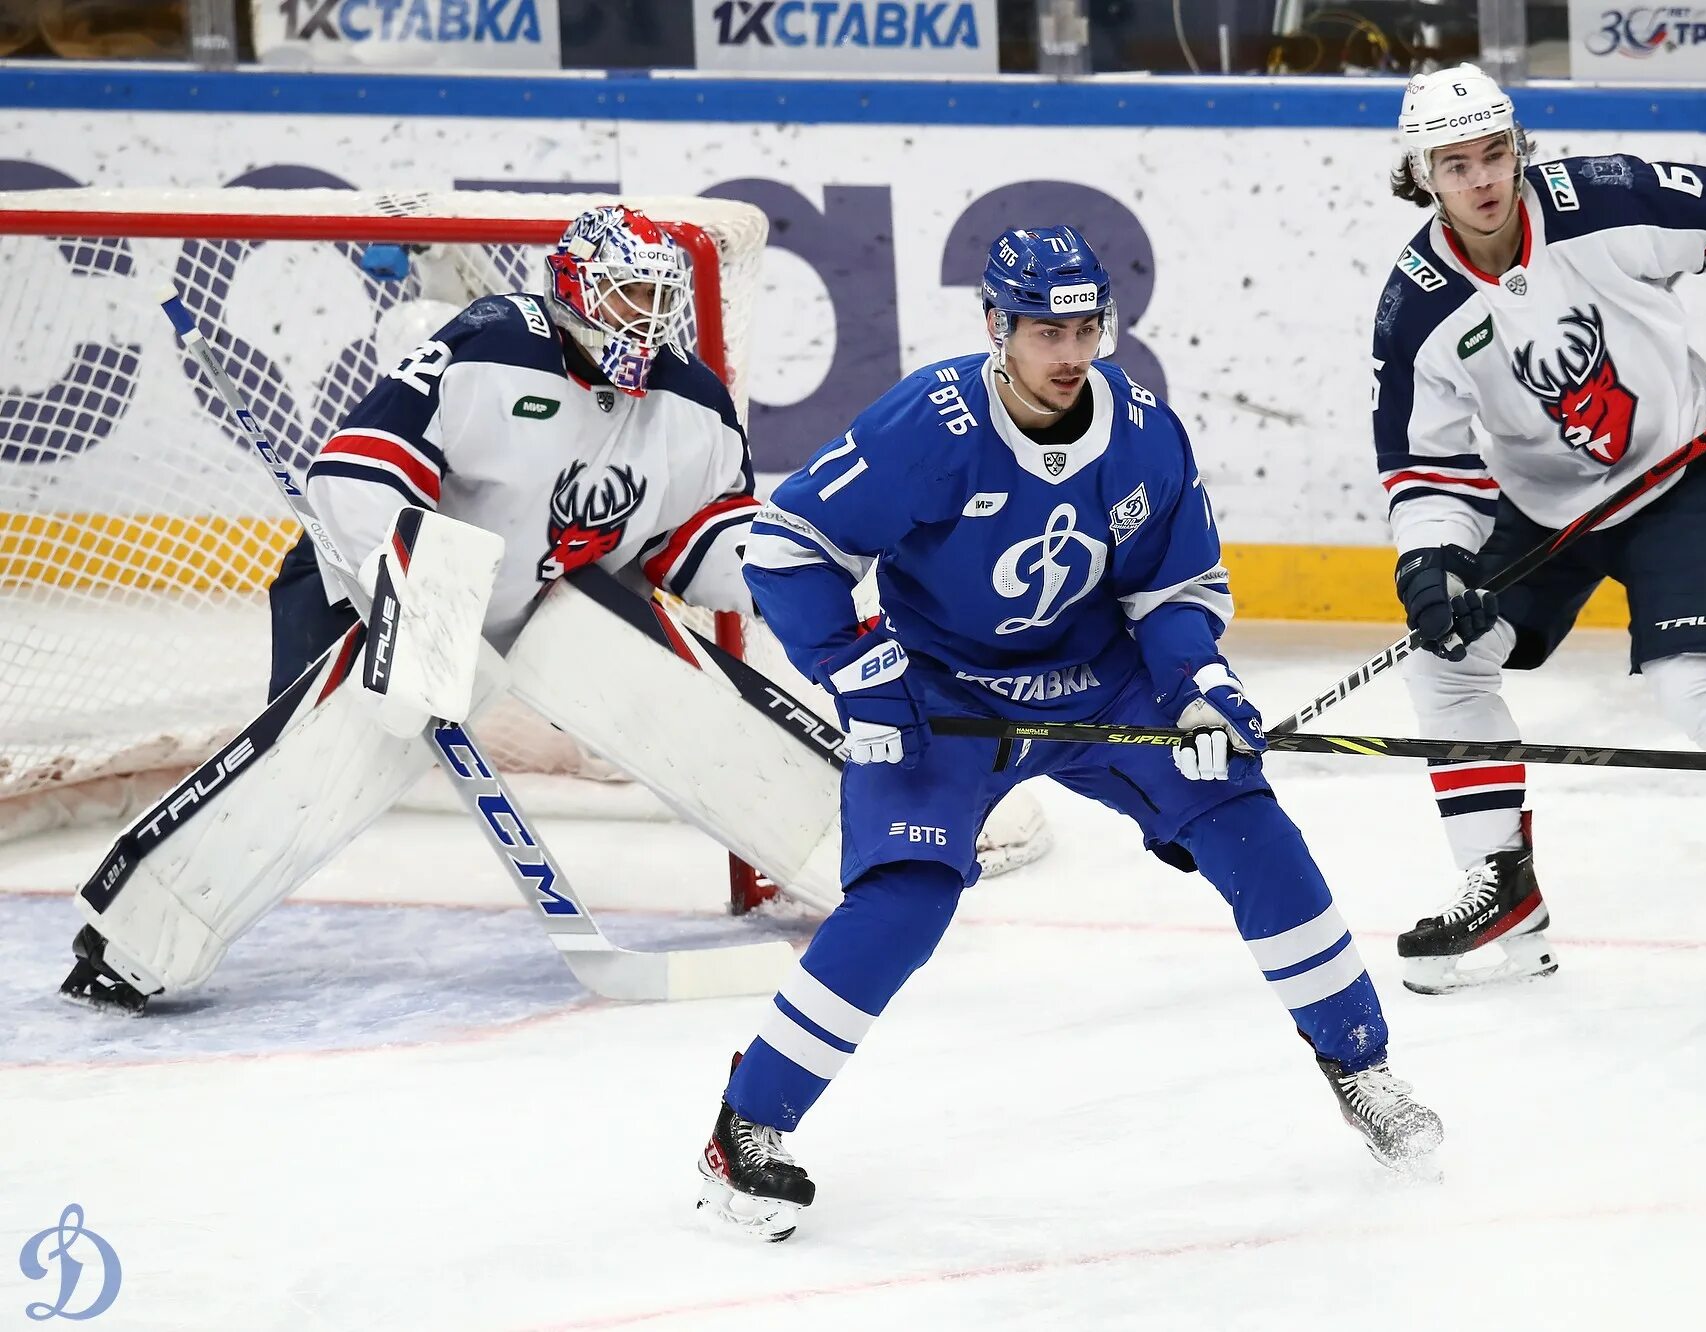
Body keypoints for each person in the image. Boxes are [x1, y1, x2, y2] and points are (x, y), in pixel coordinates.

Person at [695, 226, 1442, 1243]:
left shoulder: (1141, 433)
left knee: (1247, 828)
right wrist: (857, 669)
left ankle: (1361, 1068)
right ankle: (750, 1126)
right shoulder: (932, 422)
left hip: (1099, 682)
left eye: (1085, 326)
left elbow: (1172, 588)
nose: (1068, 351)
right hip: (941, 693)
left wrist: (1196, 683)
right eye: (1045, 328)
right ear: (995, 326)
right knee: (904, 901)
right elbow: (785, 545)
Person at [60, 203, 760, 1011]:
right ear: (576, 287)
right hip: (369, 585)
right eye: (629, 296)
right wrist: (414, 595)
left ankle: (844, 851)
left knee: (688, 693)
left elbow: (695, 538)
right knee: (302, 775)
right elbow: (358, 469)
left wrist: (778, 573)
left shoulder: (694, 404)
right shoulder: (491, 345)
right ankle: (127, 940)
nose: (648, 320)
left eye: (657, 300)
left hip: (541, 606)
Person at [1368, 64, 1706, 993]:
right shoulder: (1418, 309)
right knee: (1445, 661)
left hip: (1674, 477)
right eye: (1456, 165)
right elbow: (1426, 466)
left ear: (1517, 147)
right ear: (1422, 174)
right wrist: (1432, 559)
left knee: (1697, 684)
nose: (1483, 179)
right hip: (1542, 513)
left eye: (1495, 153)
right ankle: (1502, 889)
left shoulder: (1599, 200)